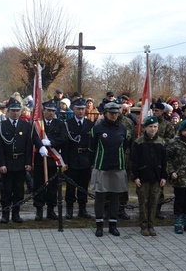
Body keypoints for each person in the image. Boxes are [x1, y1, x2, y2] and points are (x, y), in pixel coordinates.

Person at [89, 102, 130, 237]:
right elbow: (92, 148)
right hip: (101, 167)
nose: (113, 115)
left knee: (115, 197)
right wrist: (93, 164)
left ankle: (113, 225)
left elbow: (124, 147)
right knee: (100, 196)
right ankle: (99, 225)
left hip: (117, 167)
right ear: (105, 113)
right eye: (111, 113)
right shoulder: (97, 128)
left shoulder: (123, 129)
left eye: (116, 113)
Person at [0, 100, 32, 223]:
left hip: (20, 162)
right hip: (7, 162)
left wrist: (28, 162)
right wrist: (1, 164)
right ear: (8, 111)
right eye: (13, 111)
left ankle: (16, 214)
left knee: (18, 190)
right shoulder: (1, 126)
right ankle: (5, 214)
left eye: (17, 111)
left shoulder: (26, 125)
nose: (15, 113)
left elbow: (28, 146)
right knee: (6, 190)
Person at [132, 116, 167, 236]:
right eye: (150, 127)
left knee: (154, 202)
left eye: (155, 127)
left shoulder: (161, 142)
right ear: (145, 128)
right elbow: (134, 161)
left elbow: (164, 162)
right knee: (143, 202)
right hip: (143, 177)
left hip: (156, 178)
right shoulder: (139, 142)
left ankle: (151, 225)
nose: (153, 129)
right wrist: (135, 177)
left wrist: (163, 176)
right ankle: (143, 225)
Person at [32, 102, 66, 221]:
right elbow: (33, 136)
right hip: (40, 159)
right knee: (39, 185)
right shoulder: (37, 124)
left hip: (53, 159)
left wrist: (51, 142)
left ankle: (51, 209)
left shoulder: (59, 124)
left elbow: (63, 138)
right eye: (48, 110)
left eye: (53, 111)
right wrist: (40, 145)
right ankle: (39, 210)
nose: (51, 113)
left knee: (53, 186)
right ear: (43, 110)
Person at [62, 99, 94, 219]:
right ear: (74, 109)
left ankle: (82, 209)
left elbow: (92, 145)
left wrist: (91, 161)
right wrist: (65, 162)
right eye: (78, 109)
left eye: (82, 109)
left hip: (85, 159)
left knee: (83, 185)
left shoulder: (90, 124)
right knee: (70, 186)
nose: (81, 111)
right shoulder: (67, 123)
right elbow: (65, 145)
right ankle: (69, 209)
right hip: (72, 158)